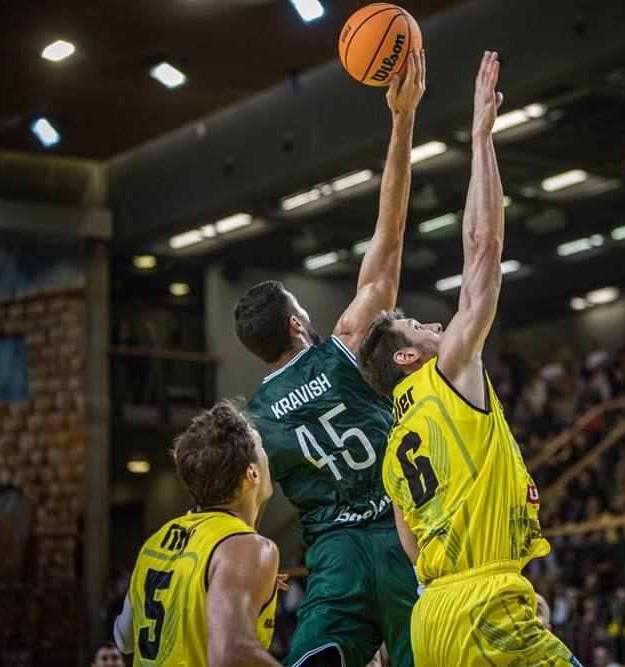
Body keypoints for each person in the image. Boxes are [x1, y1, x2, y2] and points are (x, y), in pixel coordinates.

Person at [357, 51, 579, 666]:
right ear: (405, 357)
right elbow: (483, 250)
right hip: (483, 609)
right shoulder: (447, 371)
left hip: (433, 620)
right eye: (419, 326)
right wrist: (481, 136)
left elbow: (412, 547)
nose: (435, 324)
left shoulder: (393, 451)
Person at [232, 51, 426, 667]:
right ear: (296, 322)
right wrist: (402, 121)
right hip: (402, 538)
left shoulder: (253, 424)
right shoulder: (346, 342)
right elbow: (388, 243)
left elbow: (243, 501)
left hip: (333, 559)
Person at [114, 400, 280, 665]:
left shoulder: (156, 541)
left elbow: (123, 638)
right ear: (252, 473)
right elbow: (232, 653)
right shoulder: (247, 547)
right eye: (261, 447)